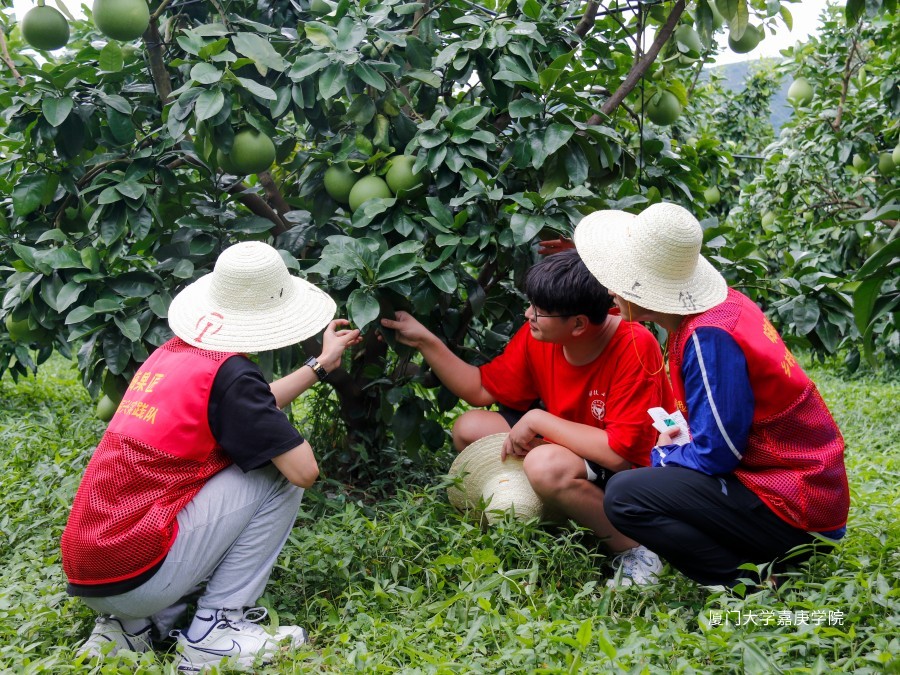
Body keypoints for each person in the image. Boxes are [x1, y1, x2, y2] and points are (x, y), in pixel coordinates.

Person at [61, 241, 361, 671]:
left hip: (92, 570)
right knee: (278, 474)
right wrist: (283, 431)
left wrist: (321, 364)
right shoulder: (232, 376)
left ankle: (131, 628)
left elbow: (247, 405)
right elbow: (303, 470)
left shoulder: (173, 355)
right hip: (138, 571)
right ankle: (215, 630)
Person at [572, 202, 850, 587]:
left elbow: (717, 454)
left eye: (621, 278)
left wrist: (664, 456)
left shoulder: (707, 337)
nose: (610, 289)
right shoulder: (725, 307)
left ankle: (744, 583)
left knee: (624, 496)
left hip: (796, 508)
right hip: (807, 489)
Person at [380, 250, 674, 584]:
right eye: (531, 304)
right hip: (576, 449)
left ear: (578, 324)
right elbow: (480, 389)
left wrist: (538, 420)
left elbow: (620, 455)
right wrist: (425, 340)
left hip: (633, 472)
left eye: (539, 310)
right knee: (470, 428)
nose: (528, 314)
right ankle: (564, 507)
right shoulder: (543, 335)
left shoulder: (634, 344)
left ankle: (636, 549)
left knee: (545, 465)